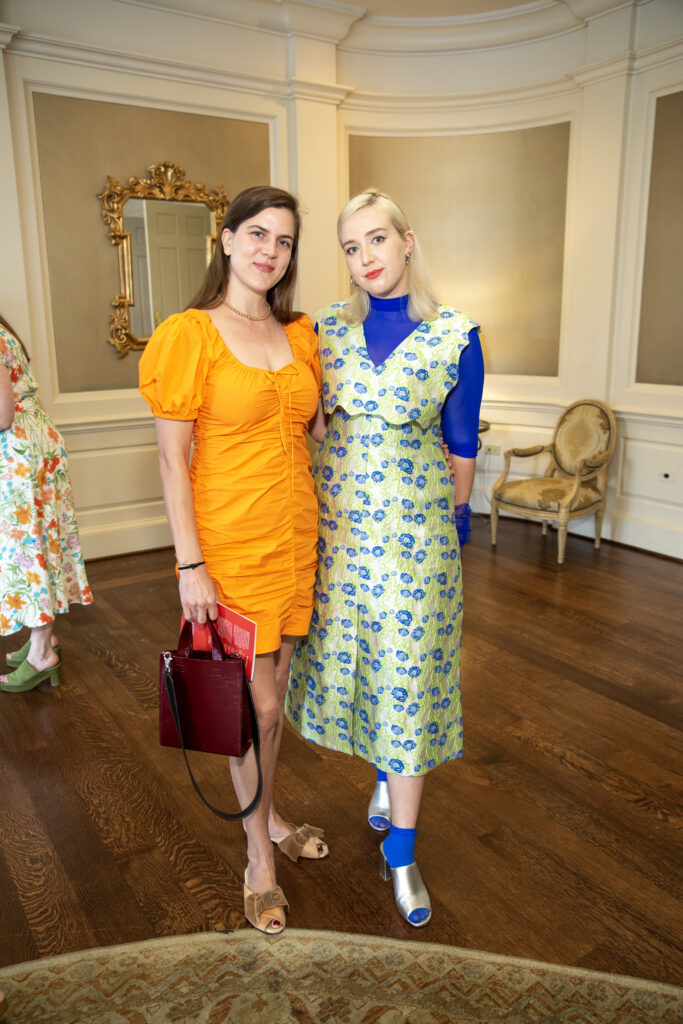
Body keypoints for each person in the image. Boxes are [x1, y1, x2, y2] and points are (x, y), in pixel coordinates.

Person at [286, 189, 484, 927]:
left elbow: (462, 448)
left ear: (407, 240)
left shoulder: (456, 337)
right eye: (349, 247)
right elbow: (302, 423)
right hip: (338, 542)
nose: (365, 257)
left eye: (376, 239)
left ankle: (400, 851)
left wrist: (452, 522)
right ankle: (380, 776)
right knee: (364, 665)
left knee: (407, 674)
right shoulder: (323, 331)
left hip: (417, 548)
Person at [139, 185, 328, 937]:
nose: (268, 251)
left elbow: (316, 432)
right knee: (261, 708)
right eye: (255, 234)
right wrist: (191, 566)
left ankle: (271, 812)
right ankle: (259, 858)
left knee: (273, 697)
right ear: (224, 240)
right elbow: (168, 457)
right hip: (229, 544)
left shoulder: (301, 334)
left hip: (296, 540)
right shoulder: (190, 334)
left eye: (282, 241)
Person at [0, 315, 92, 692]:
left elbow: (2, 414)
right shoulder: (3, 327)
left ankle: (41, 654)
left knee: (28, 551)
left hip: (19, 451)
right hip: (39, 440)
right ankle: (44, 639)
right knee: (43, 544)